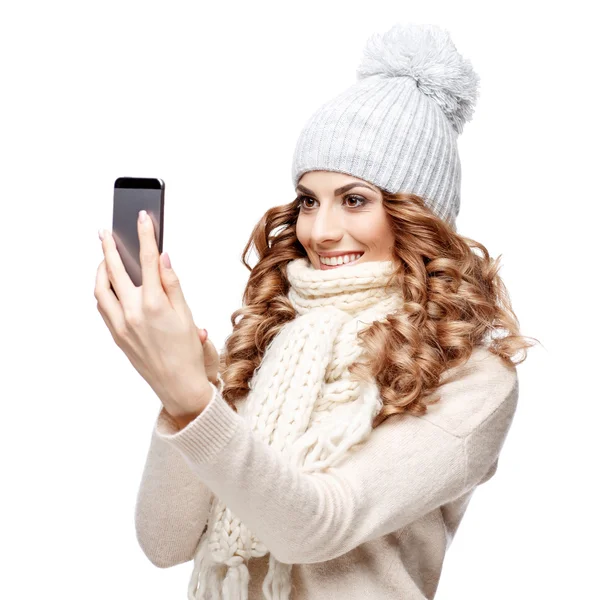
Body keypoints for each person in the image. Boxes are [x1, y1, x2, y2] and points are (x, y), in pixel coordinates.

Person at [134, 22, 538, 600]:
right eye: (308, 200)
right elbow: (163, 542)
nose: (321, 231)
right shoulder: (272, 340)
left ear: (415, 215)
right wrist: (189, 395)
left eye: (354, 200)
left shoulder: (473, 375)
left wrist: (194, 403)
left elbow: (318, 525)